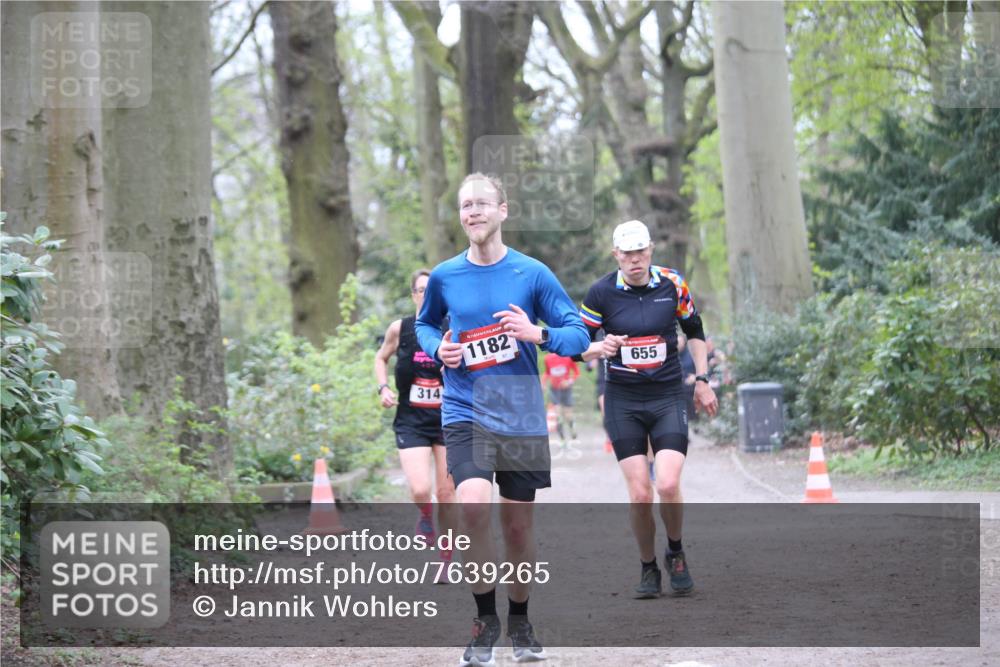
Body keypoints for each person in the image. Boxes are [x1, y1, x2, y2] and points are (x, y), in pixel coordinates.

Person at [416, 173, 589, 666]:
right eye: (465, 206)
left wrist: (536, 332)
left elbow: (576, 335)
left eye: (481, 204)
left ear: (503, 210)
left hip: (518, 410)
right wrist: (438, 347)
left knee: (516, 529)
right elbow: (426, 323)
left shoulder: (532, 274)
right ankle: (484, 622)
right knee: (472, 509)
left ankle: (520, 620)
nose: (472, 212)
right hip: (465, 406)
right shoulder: (446, 275)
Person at [578, 219, 718, 599]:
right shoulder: (601, 293)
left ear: (651, 250)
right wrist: (598, 348)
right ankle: (647, 566)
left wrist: (702, 380)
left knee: (668, 483)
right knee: (640, 493)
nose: (635, 259)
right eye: (627, 253)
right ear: (616, 255)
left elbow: (695, 332)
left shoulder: (673, 284)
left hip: (667, 395)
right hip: (623, 401)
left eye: (641, 251)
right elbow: (577, 342)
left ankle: (674, 550)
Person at [374, 269, 456, 580]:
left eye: (431, 289)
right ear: (413, 295)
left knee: (447, 492)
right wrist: (383, 388)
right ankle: (424, 515)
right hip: (411, 420)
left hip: (449, 419)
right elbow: (380, 358)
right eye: (420, 289)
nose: (426, 293)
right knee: (421, 488)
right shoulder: (401, 329)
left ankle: (445, 559)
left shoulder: (454, 327)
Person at [542, 352, 580, 446]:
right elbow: (547, 372)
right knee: (558, 415)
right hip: (555, 390)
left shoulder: (568, 356)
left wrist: (569, 382)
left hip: (566, 389)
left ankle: (572, 429)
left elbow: (576, 372)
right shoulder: (547, 358)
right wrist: (543, 382)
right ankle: (562, 439)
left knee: (568, 415)